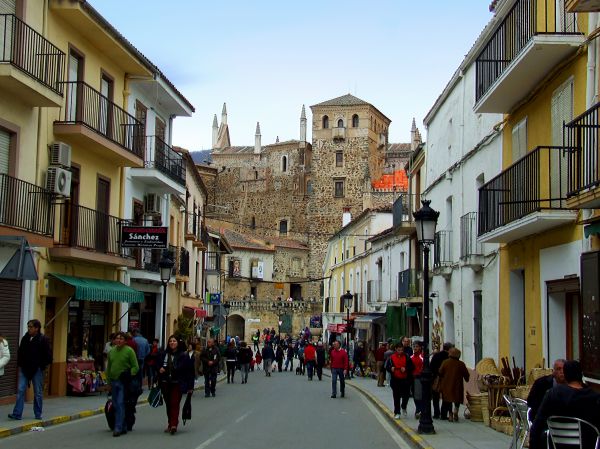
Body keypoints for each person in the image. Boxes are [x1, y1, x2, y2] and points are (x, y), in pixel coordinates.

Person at [529, 360, 600, 449]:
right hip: (587, 444)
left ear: (565, 376)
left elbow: (537, 425)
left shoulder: (553, 394)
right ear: (581, 375)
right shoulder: (594, 397)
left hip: (557, 444)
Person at [8, 319, 52, 421]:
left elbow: (48, 356)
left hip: (37, 370)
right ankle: (17, 414)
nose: (29, 328)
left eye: (31, 327)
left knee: (38, 392)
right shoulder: (25, 338)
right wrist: (20, 364)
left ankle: (38, 413)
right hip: (24, 369)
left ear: (37, 328)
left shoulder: (43, 339)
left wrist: (41, 366)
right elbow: (20, 352)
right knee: (20, 390)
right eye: (28, 327)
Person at [159, 336, 195, 435]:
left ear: (178, 343)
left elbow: (189, 371)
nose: (172, 343)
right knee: (168, 404)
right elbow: (158, 365)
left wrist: (190, 387)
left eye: (174, 341)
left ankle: (174, 424)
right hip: (166, 382)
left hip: (177, 383)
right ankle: (170, 423)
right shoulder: (164, 354)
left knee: (174, 403)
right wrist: (160, 369)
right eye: (170, 341)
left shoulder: (183, 355)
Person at [105, 331, 138, 437]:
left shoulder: (129, 351)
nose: (118, 340)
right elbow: (109, 367)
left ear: (125, 341)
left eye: (121, 339)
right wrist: (108, 382)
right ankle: (123, 426)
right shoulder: (111, 352)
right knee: (115, 404)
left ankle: (118, 427)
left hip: (123, 382)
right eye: (117, 338)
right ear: (114, 340)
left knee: (120, 403)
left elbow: (135, 367)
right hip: (113, 382)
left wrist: (129, 374)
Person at [438, 347, 469, 422]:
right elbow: (466, 375)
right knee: (457, 398)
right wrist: (466, 378)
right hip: (458, 385)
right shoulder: (461, 364)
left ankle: (450, 414)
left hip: (447, 384)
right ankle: (456, 410)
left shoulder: (445, 362)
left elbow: (440, 372)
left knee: (448, 399)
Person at [388, 343, 413, 419]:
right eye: (399, 350)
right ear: (396, 349)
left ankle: (404, 406)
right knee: (396, 396)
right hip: (395, 379)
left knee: (406, 395)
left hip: (405, 379)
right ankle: (397, 412)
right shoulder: (391, 357)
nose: (400, 351)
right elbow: (386, 366)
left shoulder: (407, 356)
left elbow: (411, 366)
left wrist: (406, 369)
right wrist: (390, 368)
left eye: (402, 350)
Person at [430, 342, 453, 419]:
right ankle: (443, 414)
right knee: (446, 397)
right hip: (446, 379)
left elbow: (431, 366)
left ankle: (436, 413)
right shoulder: (450, 357)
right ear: (449, 349)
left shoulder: (436, 355)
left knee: (435, 397)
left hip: (436, 378)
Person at [411, 341, 425, 419]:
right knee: (414, 394)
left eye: (416, 346)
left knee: (418, 395)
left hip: (419, 378)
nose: (415, 348)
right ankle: (418, 409)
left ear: (420, 348)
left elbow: (423, 367)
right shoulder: (411, 357)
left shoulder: (422, 357)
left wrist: (419, 373)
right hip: (412, 378)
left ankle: (419, 410)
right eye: (414, 346)